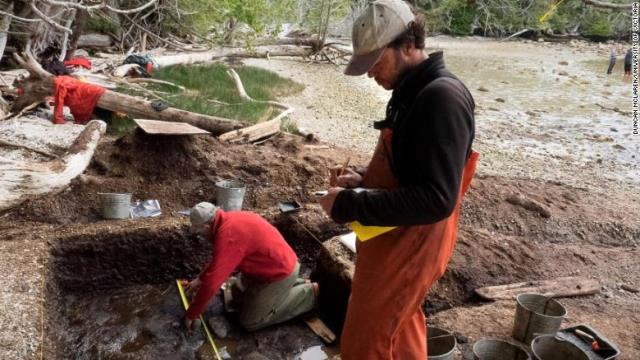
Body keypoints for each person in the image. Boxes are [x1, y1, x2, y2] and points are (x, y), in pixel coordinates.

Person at [318, 0, 478, 358]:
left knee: (368, 340)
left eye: (376, 61)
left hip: (415, 241)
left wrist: (349, 203)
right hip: (395, 234)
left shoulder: (442, 98)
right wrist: (362, 177)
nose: (371, 73)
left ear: (408, 45)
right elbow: (411, 168)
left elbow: (436, 198)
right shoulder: (410, 93)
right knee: (399, 326)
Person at [183, 202, 318, 332]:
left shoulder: (228, 235)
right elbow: (219, 261)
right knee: (236, 297)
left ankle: (308, 293)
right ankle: (292, 285)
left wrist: (192, 313)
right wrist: (200, 279)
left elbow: (212, 283)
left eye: (200, 231)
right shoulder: (229, 219)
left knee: (250, 321)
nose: (202, 235)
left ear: (207, 226)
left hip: (279, 273)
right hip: (274, 265)